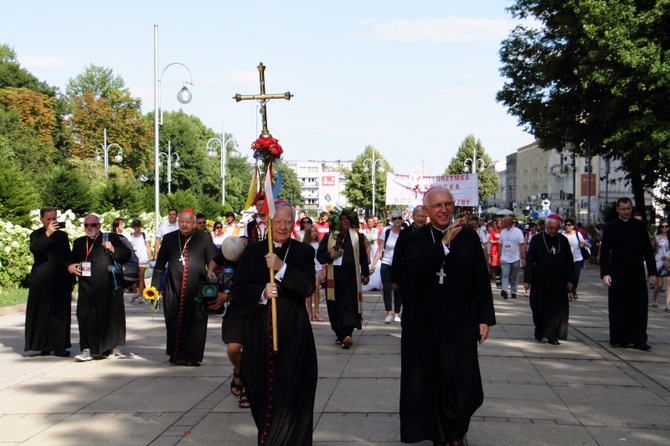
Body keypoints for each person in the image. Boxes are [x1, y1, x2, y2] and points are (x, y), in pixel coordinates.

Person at [401, 187, 495, 445]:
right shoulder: (416, 238)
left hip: (462, 321)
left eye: (448, 204)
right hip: (428, 323)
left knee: (465, 381)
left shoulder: (469, 237)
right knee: (435, 381)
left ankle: (458, 426)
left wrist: (484, 317)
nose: (444, 210)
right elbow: (415, 266)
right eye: (437, 206)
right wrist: (443, 245)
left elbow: (480, 278)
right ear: (427, 211)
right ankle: (446, 434)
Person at [232, 202, 318, 445]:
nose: (282, 226)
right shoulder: (252, 251)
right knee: (261, 392)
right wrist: (261, 292)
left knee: (293, 393)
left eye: (287, 222)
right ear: (268, 223)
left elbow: (307, 288)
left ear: (294, 223)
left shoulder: (303, 252)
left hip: (294, 335)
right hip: (259, 334)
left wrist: (282, 269)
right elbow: (237, 290)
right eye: (277, 221)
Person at [152, 209, 217, 365]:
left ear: (194, 223)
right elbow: (159, 265)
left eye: (188, 222)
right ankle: (176, 354)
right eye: (182, 222)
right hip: (173, 288)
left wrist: (212, 273)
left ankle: (193, 356)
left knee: (196, 322)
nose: (184, 225)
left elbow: (213, 261)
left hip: (197, 288)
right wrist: (154, 288)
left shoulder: (204, 238)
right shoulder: (169, 239)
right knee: (173, 319)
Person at [67, 215, 131, 362]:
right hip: (86, 285)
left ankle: (106, 348)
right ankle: (86, 349)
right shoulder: (79, 242)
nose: (90, 227)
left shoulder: (110, 238)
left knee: (106, 317)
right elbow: (71, 259)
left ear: (99, 225)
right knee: (84, 316)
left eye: (93, 224)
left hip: (107, 285)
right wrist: (69, 266)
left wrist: (113, 248)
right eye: (87, 225)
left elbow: (126, 254)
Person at [600, 197, 657, 351]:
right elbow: (604, 252)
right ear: (618, 209)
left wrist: (652, 272)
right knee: (619, 305)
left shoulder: (639, 226)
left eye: (629, 209)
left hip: (636, 271)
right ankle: (619, 337)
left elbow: (647, 250)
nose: (626, 212)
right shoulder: (611, 227)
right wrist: (605, 273)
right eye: (623, 209)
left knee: (639, 305)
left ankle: (639, 339)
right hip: (617, 272)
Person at [317, 208, 370, 349]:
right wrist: (329, 255)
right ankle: (339, 333)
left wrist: (365, 274)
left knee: (350, 305)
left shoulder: (358, 237)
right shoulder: (329, 237)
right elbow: (319, 256)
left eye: (347, 219)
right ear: (337, 221)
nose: (345, 221)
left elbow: (363, 258)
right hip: (334, 277)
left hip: (352, 276)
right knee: (335, 305)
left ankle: (347, 334)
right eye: (342, 219)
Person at [24, 207, 74, 357]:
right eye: (49, 219)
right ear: (42, 220)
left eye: (54, 219)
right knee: (42, 312)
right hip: (42, 281)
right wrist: (48, 234)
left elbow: (68, 257)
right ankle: (43, 345)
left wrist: (72, 280)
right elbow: (36, 249)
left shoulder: (62, 236)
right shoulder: (37, 235)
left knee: (61, 313)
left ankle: (60, 346)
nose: (52, 222)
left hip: (61, 279)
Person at [207, 236, 249, 408]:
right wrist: (211, 272)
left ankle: (247, 385)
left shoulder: (252, 255)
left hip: (253, 303)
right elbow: (214, 262)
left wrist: (228, 296)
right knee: (233, 348)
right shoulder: (227, 248)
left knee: (252, 350)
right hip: (236, 307)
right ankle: (238, 370)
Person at [523, 214, 575, 345]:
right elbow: (530, 260)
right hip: (540, 280)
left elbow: (569, 261)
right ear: (546, 226)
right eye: (550, 228)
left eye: (555, 229)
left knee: (555, 309)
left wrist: (570, 280)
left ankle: (552, 335)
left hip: (558, 281)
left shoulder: (562, 240)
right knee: (538, 308)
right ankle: (539, 329)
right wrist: (527, 279)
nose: (552, 231)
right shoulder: (537, 239)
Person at [371, 209, 404, 323]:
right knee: (387, 288)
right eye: (395, 218)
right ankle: (389, 312)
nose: (397, 220)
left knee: (398, 289)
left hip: (399, 265)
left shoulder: (405, 232)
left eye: (399, 218)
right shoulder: (387, 231)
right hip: (386, 262)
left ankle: (396, 313)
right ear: (391, 221)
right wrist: (373, 264)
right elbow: (380, 250)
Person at [499, 216, 526, 299]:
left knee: (514, 275)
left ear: (508, 223)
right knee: (505, 274)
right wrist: (500, 256)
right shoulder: (502, 232)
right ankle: (504, 290)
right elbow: (500, 245)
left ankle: (513, 291)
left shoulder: (518, 232)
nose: (502, 224)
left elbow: (522, 245)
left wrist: (523, 258)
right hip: (505, 257)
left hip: (515, 257)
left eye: (503, 222)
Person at [303, 224, 325, 322]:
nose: (314, 233)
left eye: (315, 231)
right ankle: (309, 313)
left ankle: (316, 312)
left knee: (316, 290)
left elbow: (323, 259)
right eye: (312, 232)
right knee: (309, 292)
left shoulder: (320, 244)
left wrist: (323, 271)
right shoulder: (305, 245)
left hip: (318, 269)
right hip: (308, 270)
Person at [561, 218, 585, 301]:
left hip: (576, 258)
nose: (567, 226)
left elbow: (583, 241)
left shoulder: (577, 234)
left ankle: (574, 289)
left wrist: (582, 244)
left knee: (576, 276)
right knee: (566, 276)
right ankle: (569, 291)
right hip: (565, 260)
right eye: (566, 225)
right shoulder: (562, 235)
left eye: (569, 225)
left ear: (573, 226)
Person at [129, 219, 152, 302]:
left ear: (140, 227)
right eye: (135, 226)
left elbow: (148, 247)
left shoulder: (144, 235)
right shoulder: (130, 236)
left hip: (143, 259)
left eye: (137, 226)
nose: (136, 228)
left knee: (141, 277)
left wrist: (150, 259)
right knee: (132, 278)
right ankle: (136, 293)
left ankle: (141, 296)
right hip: (134, 260)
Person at [651, 219, 670, 310]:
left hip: (669, 261)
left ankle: (667, 304)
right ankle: (655, 299)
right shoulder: (656, 237)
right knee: (659, 284)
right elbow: (652, 248)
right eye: (663, 226)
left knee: (668, 283)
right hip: (659, 261)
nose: (664, 228)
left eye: (666, 226)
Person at [362, 216, 382, 291]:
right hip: (368, 250)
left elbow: (380, 241)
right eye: (369, 222)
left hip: (375, 249)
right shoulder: (363, 232)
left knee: (378, 266)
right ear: (366, 223)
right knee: (368, 265)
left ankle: (377, 284)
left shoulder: (377, 230)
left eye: (372, 222)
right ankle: (369, 284)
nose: (371, 223)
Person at [489, 218, 503, 288]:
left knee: (502, 267)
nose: (499, 225)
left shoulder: (503, 231)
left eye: (501, 223)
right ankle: (498, 282)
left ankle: (502, 280)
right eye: (498, 223)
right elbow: (491, 241)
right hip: (494, 251)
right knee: (496, 267)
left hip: (503, 251)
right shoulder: (493, 231)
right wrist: (498, 242)